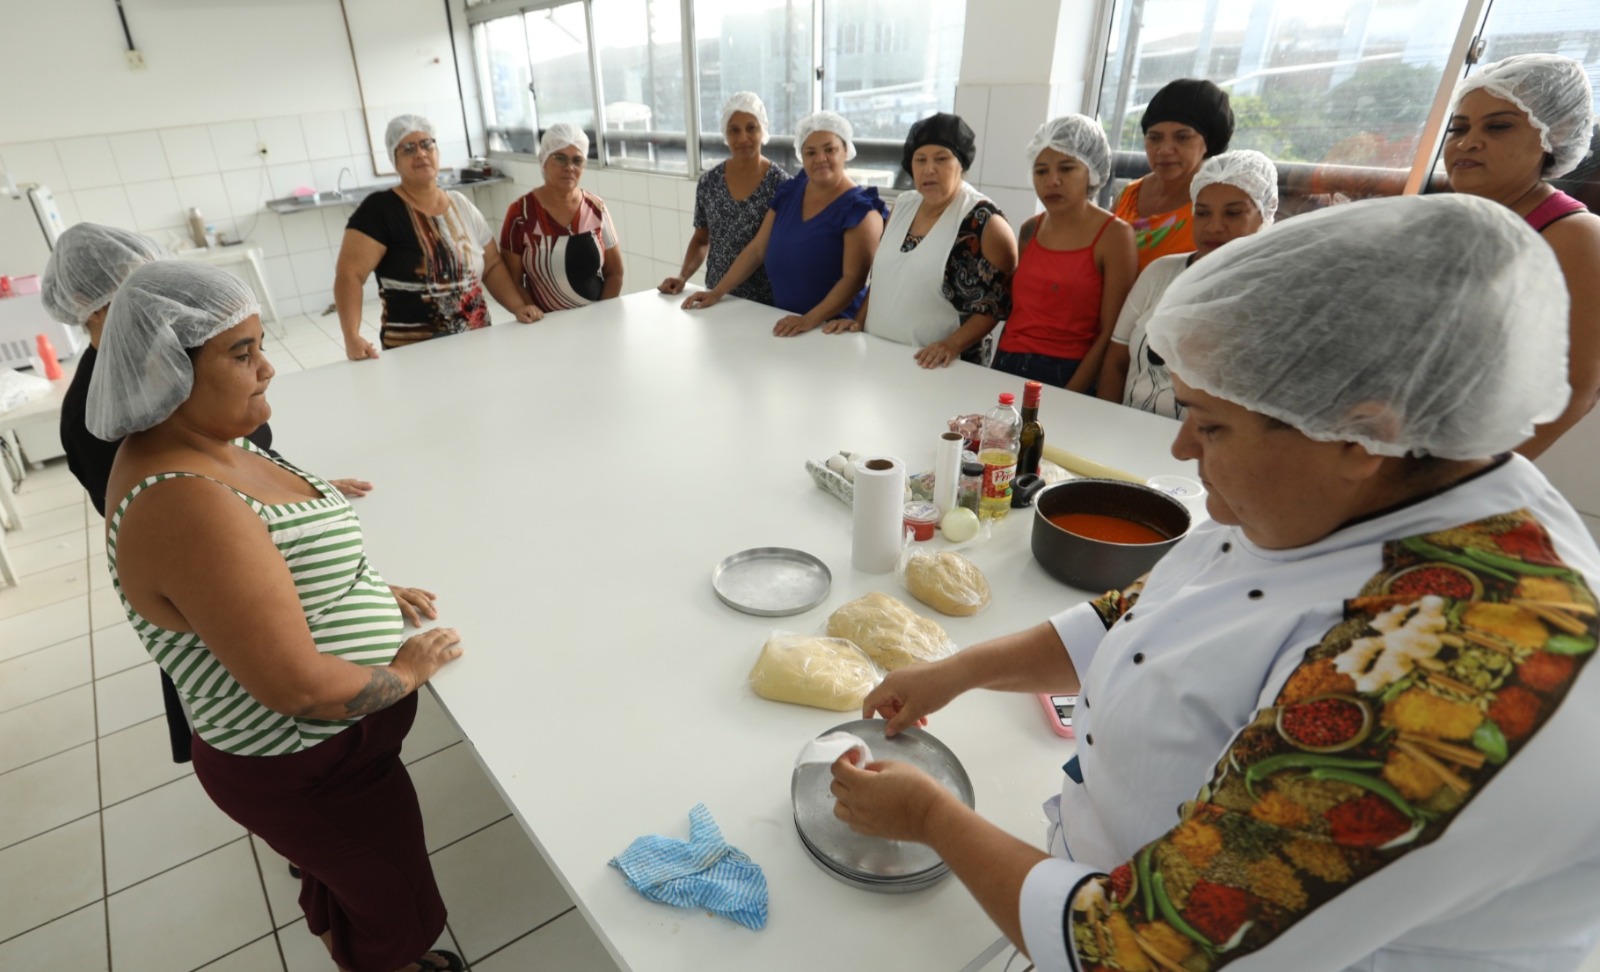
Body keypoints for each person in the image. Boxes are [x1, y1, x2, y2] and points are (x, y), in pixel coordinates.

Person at [828, 194, 1600, 971]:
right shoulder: (1366, 488)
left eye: (1213, 422)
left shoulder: (1457, 666)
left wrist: (930, 816)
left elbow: (1138, 951)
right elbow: (1158, 607)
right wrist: (960, 670)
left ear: (1366, 433)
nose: (1182, 444)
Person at [89, 261, 466, 972]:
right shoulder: (183, 499)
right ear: (168, 369)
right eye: (241, 353)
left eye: (261, 343)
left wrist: (359, 592)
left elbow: (265, 570)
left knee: (346, 876)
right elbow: (296, 689)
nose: (266, 367)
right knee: (393, 900)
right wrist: (405, 672)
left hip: (327, 765)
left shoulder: (209, 440)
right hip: (307, 766)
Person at [1445, 53, 1600, 459]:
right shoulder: (1457, 220)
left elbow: (1576, 389)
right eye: (1458, 127)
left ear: (1556, 134)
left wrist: (1472, 478)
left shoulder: (1576, 236)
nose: (1467, 142)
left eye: (1497, 126)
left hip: (1480, 456)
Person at [818, 113, 1016, 368]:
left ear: (962, 164)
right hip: (878, 356)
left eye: (942, 159)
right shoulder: (903, 205)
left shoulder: (984, 222)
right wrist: (859, 321)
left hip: (938, 367)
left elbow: (995, 307)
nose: (929, 169)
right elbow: (884, 278)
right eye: (920, 160)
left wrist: (952, 345)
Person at [336, 114, 537, 359]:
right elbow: (349, 275)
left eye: (426, 144)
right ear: (395, 161)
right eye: (408, 149)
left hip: (477, 341)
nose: (420, 153)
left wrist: (518, 306)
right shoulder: (380, 210)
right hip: (413, 352)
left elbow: (493, 264)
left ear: (436, 151)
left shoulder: (461, 204)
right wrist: (351, 336)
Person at [1099, 150, 1278, 416]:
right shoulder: (1160, 273)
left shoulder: (1273, 295)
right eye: (1203, 213)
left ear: (1265, 215)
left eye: (1233, 213)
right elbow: (1116, 362)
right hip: (1127, 434)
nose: (1214, 226)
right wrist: (1106, 422)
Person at [682, 111, 887, 336]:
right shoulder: (791, 191)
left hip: (831, 329)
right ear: (801, 156)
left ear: (846, 151)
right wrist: (717, 291)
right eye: (810, 152)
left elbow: (854, 279)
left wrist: (810, 319)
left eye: (830, 150)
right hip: (784, 320)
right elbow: (757, 249)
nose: (820, 159)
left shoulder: (860, 209)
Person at [990, 116, 1136, 391]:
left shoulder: (1115, 236)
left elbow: (1110, 333)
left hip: (1070, 371)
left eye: (1067, 169)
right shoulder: (1029, 230)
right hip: (1008, 364)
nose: (1052, 181)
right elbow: (1016, 315)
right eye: (1041, 171)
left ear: (1091, 172)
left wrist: (1071, 393)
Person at [658, 92, 790, 304]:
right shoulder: (709, 182)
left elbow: (761, 250)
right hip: (715, 298)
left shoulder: (781, 185)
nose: (743, 138)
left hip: (765, 303)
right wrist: (683, 276)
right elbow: (701, 240)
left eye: (751, 128)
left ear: (763, 130)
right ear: (725, 134)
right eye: (734, 130)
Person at [1113, 79, 1234, 272]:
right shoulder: (1128, 196)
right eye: (1155, 137)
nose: (1165, 150)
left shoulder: (1213, 208)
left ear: (1208, 143)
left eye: (1182, 137)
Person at [501, 123, 624, 312]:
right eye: (560, 159)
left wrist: (603, 314)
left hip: (597, 321)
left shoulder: (596, 208)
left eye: (577, 160)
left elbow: (615, 272)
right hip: (544, 324)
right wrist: (536, 317)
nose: (569, 167)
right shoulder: (521, 214)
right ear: (543, 160)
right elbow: (511, 281)